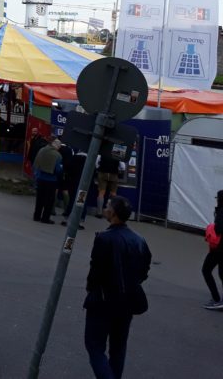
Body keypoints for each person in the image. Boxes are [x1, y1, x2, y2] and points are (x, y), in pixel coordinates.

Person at [83, 196, 151, 379]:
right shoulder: (139, 240)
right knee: (118, 348)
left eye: (107, 206)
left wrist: (91, 288)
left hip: (104, 300)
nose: (105, 208)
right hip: (128, 301)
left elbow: (95, 270)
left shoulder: (104, 238)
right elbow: (145, 269)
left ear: (112, 213)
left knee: (94, 346)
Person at [33, 139, 63, 224]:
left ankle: (36, 216)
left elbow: (36, 163)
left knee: (39, 199)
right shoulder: (58, 155)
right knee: (49, 200)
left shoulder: (42, 150)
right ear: (57, 146)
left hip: (40, 178)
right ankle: (45, 218)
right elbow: (58, 170)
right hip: (51, 180)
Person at [201, 190, 223, 309]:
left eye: (217, 198)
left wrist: (212, 227)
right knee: (222, 273)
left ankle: (216, 299)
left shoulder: (221, 211)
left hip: (219, 248)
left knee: (206, 270)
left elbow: (219, 228)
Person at [95, 151, 121, 218]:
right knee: (113, 194)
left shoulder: (103, 152)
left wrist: (99, 167)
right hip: (113, 174)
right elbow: (122, 166)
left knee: (101, 193)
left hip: (103, 173)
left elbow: (96, 162)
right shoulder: (118, 153)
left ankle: (99, 213)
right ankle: (112, 213)